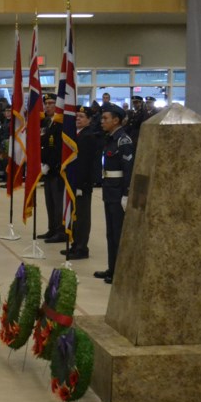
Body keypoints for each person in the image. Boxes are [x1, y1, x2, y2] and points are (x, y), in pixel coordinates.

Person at [93, 104, 134, 285]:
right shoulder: (110, 138)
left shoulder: (123, 140)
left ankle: (119, 271)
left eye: (105, 118)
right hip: (109, 189)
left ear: (116, 120)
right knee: (111, 233)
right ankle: (112, 267)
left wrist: (126, 194)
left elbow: (128, 169)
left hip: (118, 192)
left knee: (118, 233)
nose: (102, 121)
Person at [60, 106, 101, 260]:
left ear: (89, 120)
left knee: (82, 216)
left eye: (82, 116)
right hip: (73, 181)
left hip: (82, 184)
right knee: (74, 214)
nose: (78, 118)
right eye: (76, 116)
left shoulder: (88, 136)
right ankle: (75, 244)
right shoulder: (76, 135)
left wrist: (81, 184)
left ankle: (82, 248)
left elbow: (86, 163)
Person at [40, 93, 65, 243]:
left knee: (58, 201)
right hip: (47, 169)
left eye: (51, 103)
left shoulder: (60, 123)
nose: (48, 106)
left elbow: (59, 148)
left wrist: (50, 164)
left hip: (56, 169)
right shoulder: (46, 122)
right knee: (49, 201)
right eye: (46, 103)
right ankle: (52, 228)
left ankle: (60, 231)